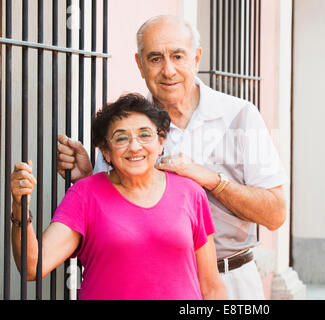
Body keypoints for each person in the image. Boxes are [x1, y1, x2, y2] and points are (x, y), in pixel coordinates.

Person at [57, 15, 287, 300]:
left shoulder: (240, 115)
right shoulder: (126, 129)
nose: (168, 70)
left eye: (178, 56)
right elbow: (110, 216)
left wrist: (213, 180)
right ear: (139, 64)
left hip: (232, 281)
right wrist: (90, 177)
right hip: (156, 287)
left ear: (196, 58)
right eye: (155, 59)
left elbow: (275, 214)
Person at [10, 93, 227, 300]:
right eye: (121, 138)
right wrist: (20, 207)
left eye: (145, 134)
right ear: (106, 151)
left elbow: (210, 286)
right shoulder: (85, 195)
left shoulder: (190, 193)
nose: (134, 146)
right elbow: (33, 267)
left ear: (161, 142)